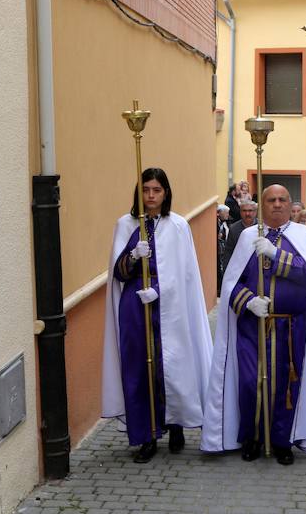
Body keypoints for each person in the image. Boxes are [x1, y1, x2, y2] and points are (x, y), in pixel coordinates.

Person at [202, 185, 306, 465]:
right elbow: (231, 283)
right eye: (270, 200)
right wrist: (248, 302)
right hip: (252, 328)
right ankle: (252, 438)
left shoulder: (303, 235)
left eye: (282, 200)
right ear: (261, 205)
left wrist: (275, 254)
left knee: (285, 388)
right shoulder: (249, 235)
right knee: (251, 384)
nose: (276, 204)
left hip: (290, 328)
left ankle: (282, 441)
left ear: (290, 205)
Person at [102, 168, 214, 463]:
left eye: (157, 190)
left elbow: (185, 274)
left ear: (166, 193)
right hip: (135, 308)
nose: (151, 196)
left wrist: (162, 293)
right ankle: (146, 436)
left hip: (170, 308)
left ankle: (175, 423)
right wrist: (132, 256)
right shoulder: (125, 225)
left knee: (171, 365)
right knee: (140, 369)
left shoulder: (178, 226)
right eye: (146, 190)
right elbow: (118, 273)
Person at [222, 199, 257, 271]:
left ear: (255, 212)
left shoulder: (262, 227)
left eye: (250, 210)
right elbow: (229, 251)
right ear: (240, 212)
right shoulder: (233, 229)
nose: (247, 214)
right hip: (240, 269)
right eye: (244, 211)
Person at [217, 204, 231, 292]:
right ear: (219, 213)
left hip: (223, 249)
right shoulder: (216, 223)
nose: (227, 215)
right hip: (219, 250)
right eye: (226, 213)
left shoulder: (225, 223)